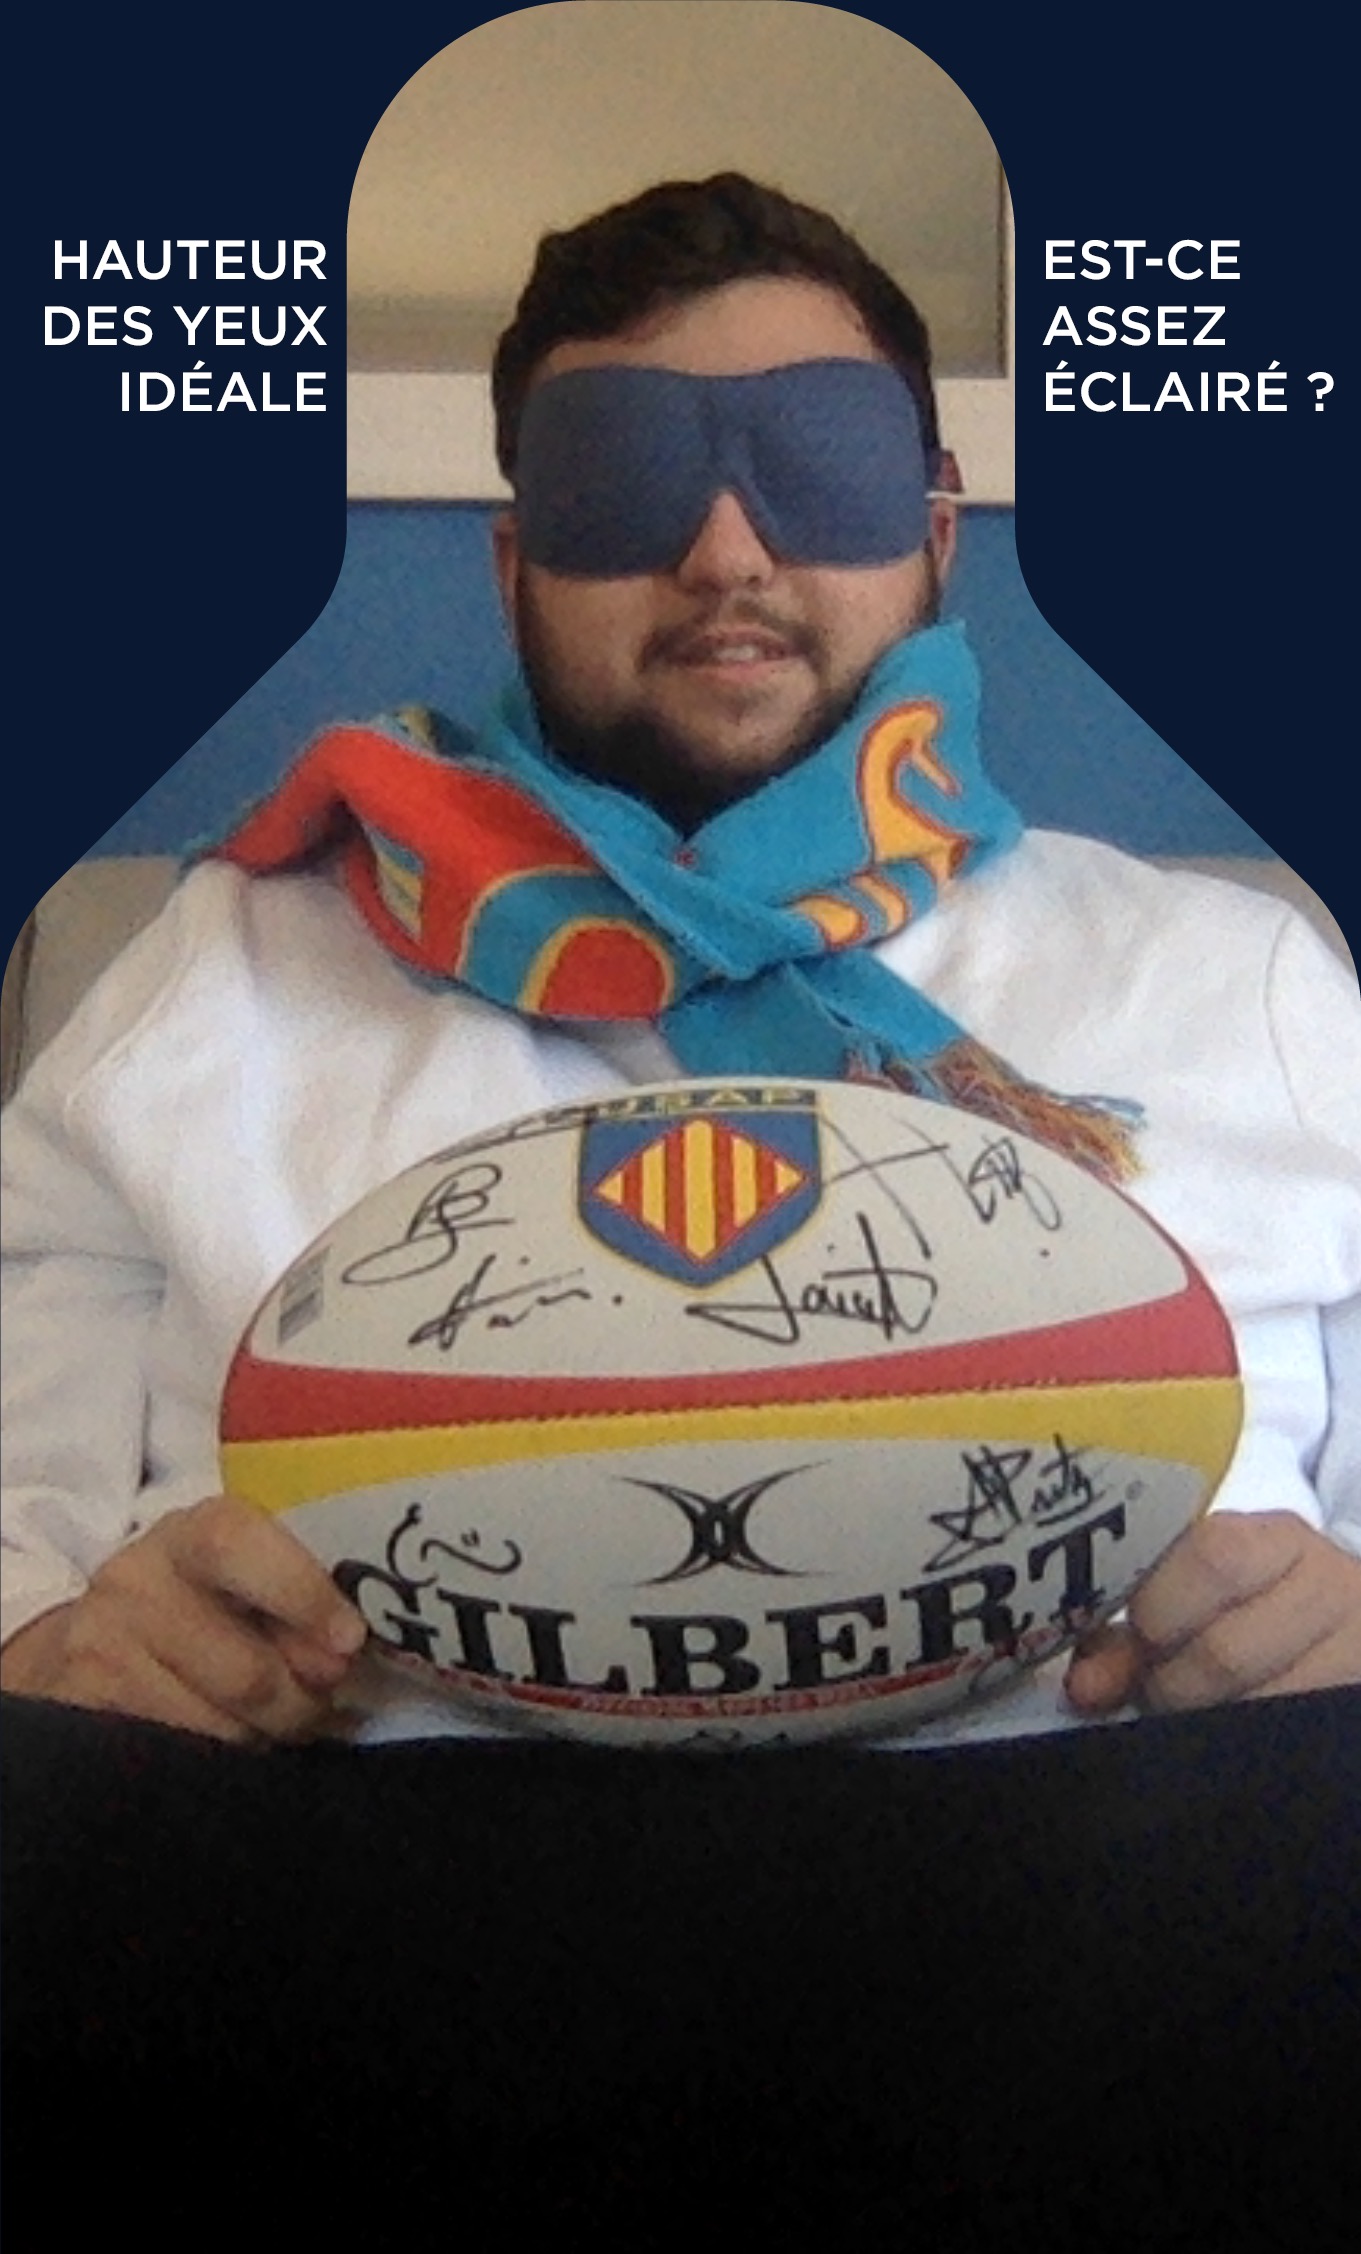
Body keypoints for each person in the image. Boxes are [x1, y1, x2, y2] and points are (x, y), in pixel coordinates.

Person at [4, 173, 1359, 2243]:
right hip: (350, 1928)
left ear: (936, 525)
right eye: (625, 475)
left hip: (1119, 1913)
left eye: (813, 464)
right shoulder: (217, 980)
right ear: (514, 558)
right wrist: (63, 1648)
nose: (727, 550)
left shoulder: (1240, 981)